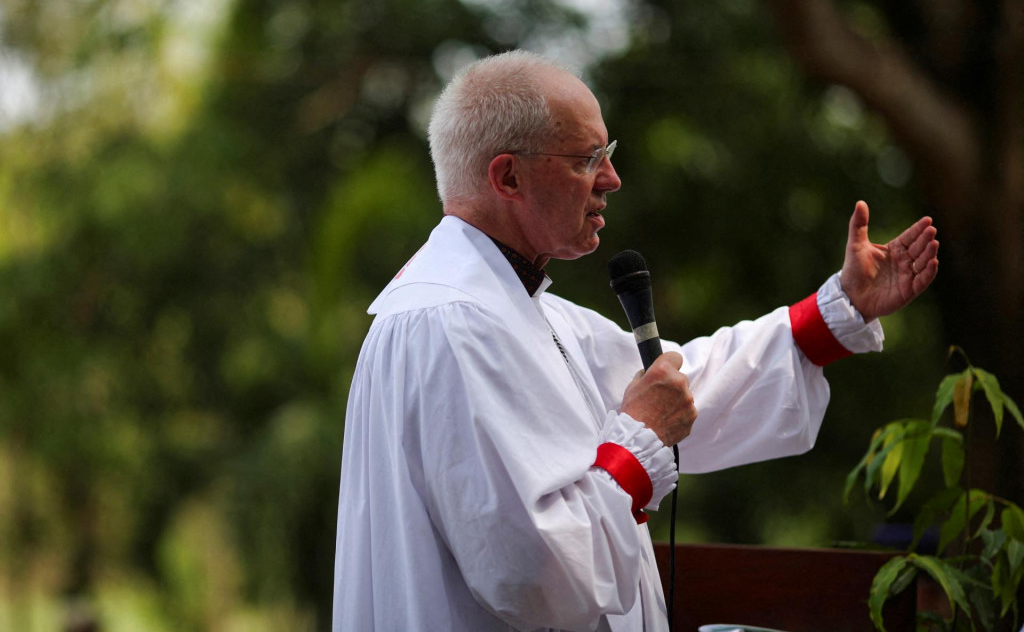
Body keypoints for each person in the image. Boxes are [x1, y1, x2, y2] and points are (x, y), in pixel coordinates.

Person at [331, 50, 939, 632]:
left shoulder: (522, 313)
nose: (612, 179)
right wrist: (639, 443)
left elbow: (679, 387)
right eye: (586, 158)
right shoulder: (451, 324)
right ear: (508, 175)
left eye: (608, 153)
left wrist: (835, 315)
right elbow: (532, 574)